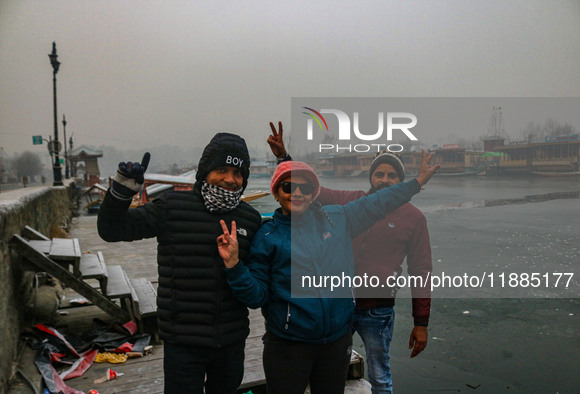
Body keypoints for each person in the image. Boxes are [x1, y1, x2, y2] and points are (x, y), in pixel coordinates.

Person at [217, 154, 438, 393]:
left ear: (314, 193)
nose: (297, 193)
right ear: (276, 192)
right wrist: (234, 264)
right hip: (288, 345)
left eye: (306, 187)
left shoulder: (338, 218)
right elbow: (256, 297)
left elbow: (381, 201)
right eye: (289, 186)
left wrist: (416, 183)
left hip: (335, 343)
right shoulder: (267, 237)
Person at [268, 122, 433, 394]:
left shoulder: (413, 218)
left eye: (392, 175)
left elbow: (421, 270)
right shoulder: (350, 202)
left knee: (380, 375)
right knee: (331, 369)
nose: (385, 179)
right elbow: (310, 189)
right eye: (379, 173)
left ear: (400, 180)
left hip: (377, 312)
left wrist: (421, 323)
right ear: (371, 176)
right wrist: (284, 159)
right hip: (339, 308)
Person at [97, 133, 262, 394]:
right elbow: (112, 229)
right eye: (221, 169)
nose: (230, 179)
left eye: (237, 172)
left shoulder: (250, 220)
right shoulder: (171, 207)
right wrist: (121, 191)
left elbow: (256, 292)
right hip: (183, 343)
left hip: (231, 342)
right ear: (205, 171)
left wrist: (234, 264)